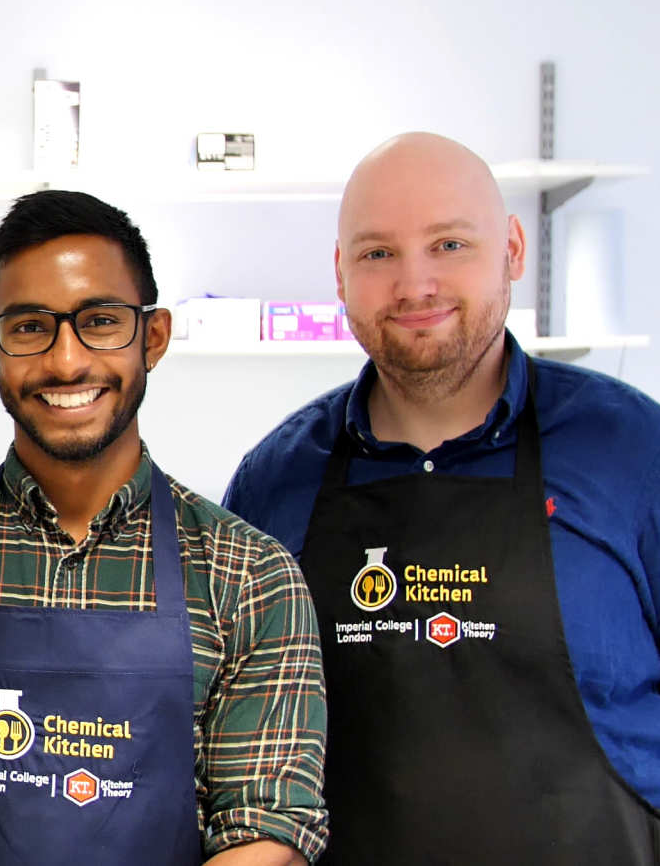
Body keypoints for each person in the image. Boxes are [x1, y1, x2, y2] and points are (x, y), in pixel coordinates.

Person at [0, 190, 328, 865]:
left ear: (152, 337)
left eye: (100, 321)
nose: (66, 362)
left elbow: (269, 830)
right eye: (31, 326)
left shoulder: (251, 576)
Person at [223, 132, 660, 863]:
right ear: (340, 273)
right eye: (377, 253)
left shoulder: (634, 451)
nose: (414, 285)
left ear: (514, 249)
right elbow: (236, 751)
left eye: (450, 245)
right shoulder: (275, 481)